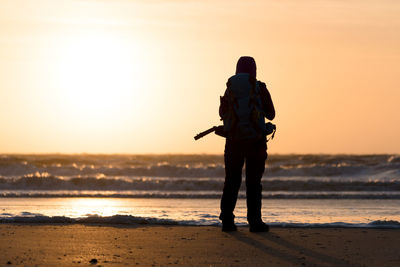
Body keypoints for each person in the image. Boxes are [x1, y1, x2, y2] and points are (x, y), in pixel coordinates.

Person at [219, 56, 275, 232]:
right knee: (253, 183)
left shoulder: (230, 88)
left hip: (233, 141)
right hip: (256, 142)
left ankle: (227, 221)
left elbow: (222, 113)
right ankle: (255, 222)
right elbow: (271, 114)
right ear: (254, 70)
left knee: (231, 181)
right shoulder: (260, 88)